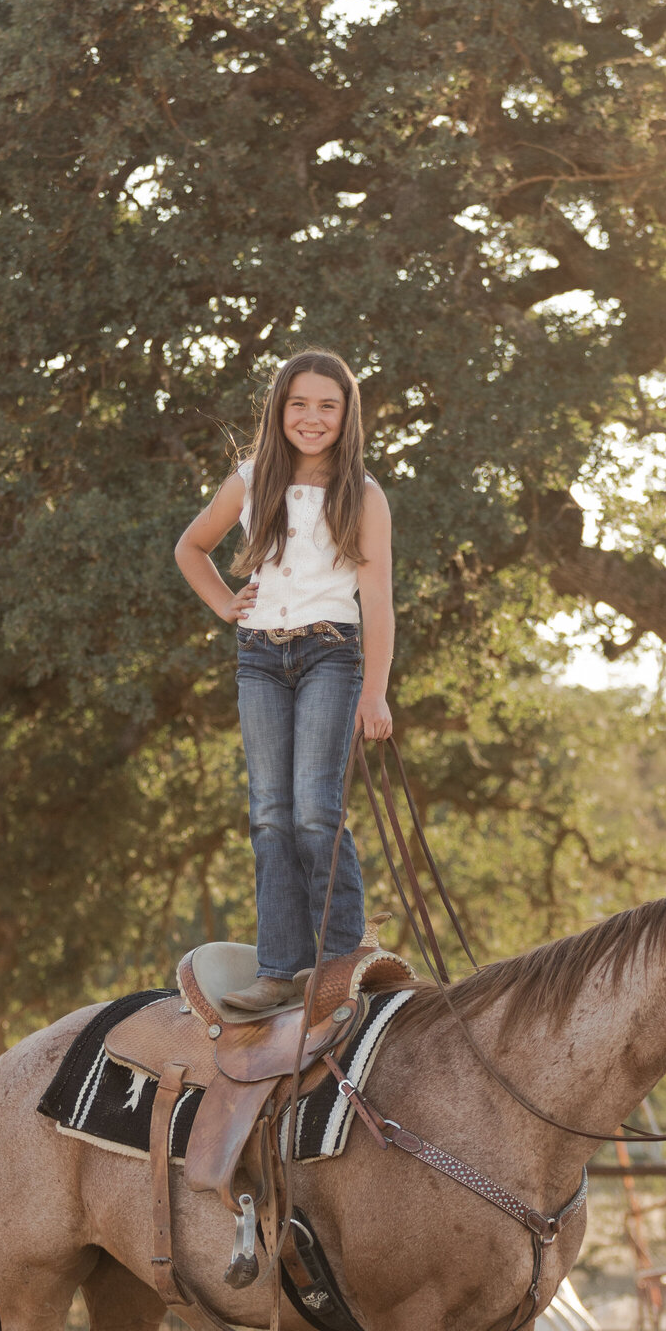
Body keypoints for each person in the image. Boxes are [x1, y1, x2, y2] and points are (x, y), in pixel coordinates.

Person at [174, 351, 394, 1013]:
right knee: (270, 813)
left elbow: (377, 599)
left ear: (346, 415)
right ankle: (278, 968)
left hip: (331, 652)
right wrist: (223, 604)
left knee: (314, 807)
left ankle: (339, 956)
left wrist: (375, 690)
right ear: (279, 408)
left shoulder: (365, 494)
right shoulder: (248, 480)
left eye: (328, 405)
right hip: (260, 659)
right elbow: (191, 547)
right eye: (300, 403)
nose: (312, 417)